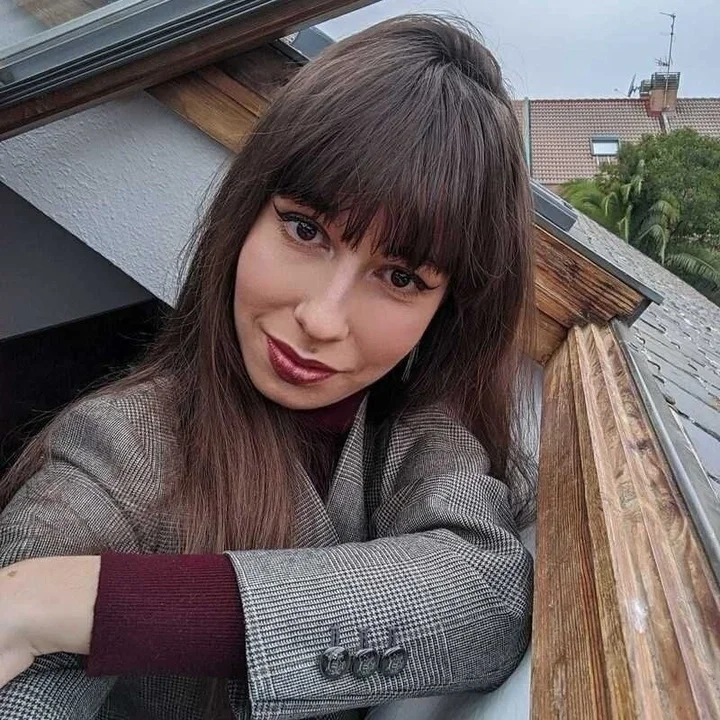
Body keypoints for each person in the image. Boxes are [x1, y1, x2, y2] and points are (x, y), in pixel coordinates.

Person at [0, 14, 537, 720]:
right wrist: (29, 599)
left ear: (447, 308)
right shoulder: (118, 454)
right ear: (245, 213)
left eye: (400, 276)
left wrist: (89, 604)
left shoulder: (416, 429)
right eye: (305, 229)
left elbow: (488, 598)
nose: (322, 317)